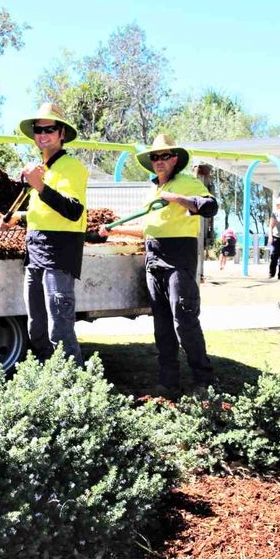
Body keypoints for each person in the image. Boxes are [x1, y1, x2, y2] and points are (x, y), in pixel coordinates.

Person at [99, 134, 218, 394]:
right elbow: (147, 227)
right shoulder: (152, 190)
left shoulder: (187, 182)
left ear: (175, 158)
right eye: (155, 156)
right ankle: (168, 382)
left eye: (165, 156)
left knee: (184, 322)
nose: (160, 161)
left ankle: (204, 381)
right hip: (153, 258)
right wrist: (113, 231)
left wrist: (178, 199)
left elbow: (210, 207)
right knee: (162, 326)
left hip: (178, 258)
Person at [3, 102, 88, 364]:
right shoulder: (42, 169)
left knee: (59, 326)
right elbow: (43, 214)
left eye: (49, 129)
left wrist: (39, 186)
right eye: (38, 130)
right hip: (36, 253)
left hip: (59, 254)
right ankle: (47, 380)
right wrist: (17, 218)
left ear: (62, 133)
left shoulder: (72, 168)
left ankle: (72, 383)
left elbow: (73, 211)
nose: (43, 135)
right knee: (36, 326)